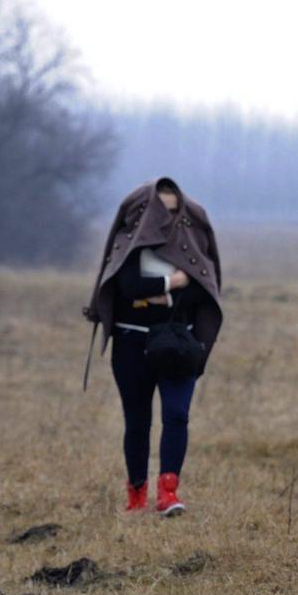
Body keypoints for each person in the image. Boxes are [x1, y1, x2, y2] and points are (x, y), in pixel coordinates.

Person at [84, 178, 222, 516]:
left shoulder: (193, 239)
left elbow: (203, 289)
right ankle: (136, 494)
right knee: (137, 420)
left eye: (175, 210)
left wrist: (165, 293)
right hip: (131, 343)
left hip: (177, 342)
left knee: (177, 415)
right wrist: (171, 282)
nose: (169, 217)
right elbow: (129, 286)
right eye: (163, 209)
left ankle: (168, 493)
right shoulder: (128, 242)